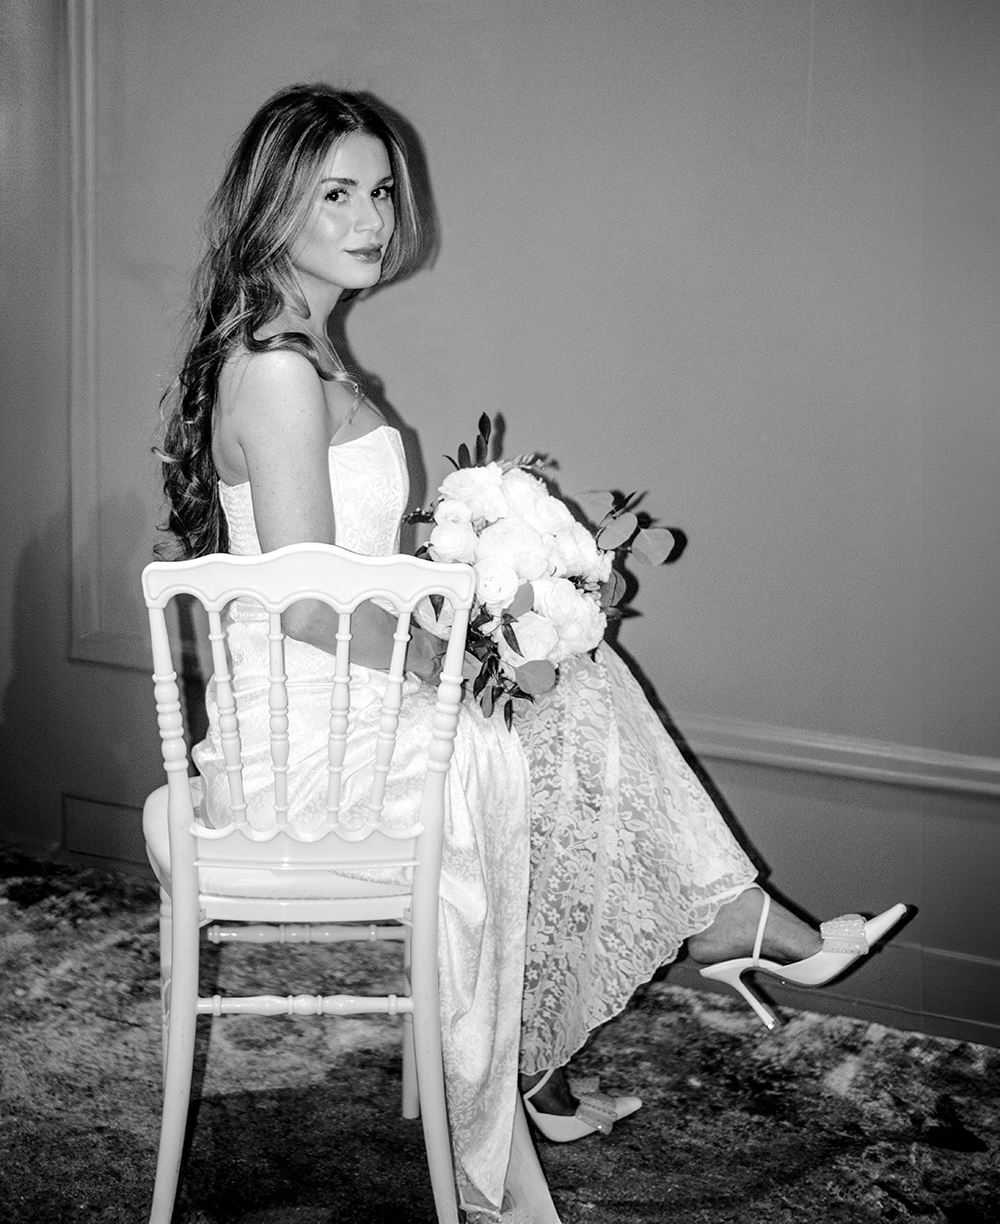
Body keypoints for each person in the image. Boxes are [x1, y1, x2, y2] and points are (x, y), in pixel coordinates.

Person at [159, 84, 907, 1207]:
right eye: (336, 194)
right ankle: (726, 937)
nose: (370, 218)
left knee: (569, 705)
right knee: (554, 731)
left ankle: (612, 1019)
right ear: (273, 208)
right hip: (311, 736)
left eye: (379, 190)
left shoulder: (298, 349)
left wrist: (480, 602)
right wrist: (452, 660)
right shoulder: (277, 368)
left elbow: (342, 574)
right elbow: (309, 606)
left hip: (342, 696)